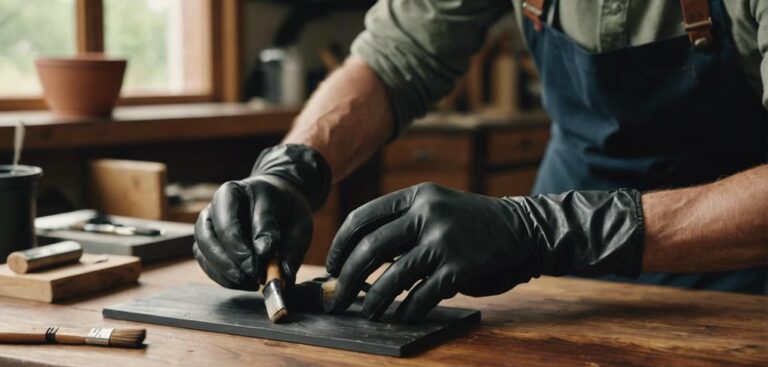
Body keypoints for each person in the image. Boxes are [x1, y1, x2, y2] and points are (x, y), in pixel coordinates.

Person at [193, 0, 768, 322]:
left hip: (739, 274)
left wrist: (543, 229)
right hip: (563, 281)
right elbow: (397, 56)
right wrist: (294, 167)